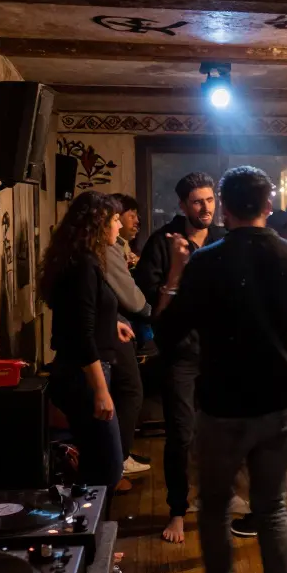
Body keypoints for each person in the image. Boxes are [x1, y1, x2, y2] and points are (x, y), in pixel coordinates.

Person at [158, 166, 287, 573]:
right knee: (272, 508)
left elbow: (168, 332)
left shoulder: (207, 261)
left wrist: (177, 275)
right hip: (280, 400)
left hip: (222, 404)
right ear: (269, 204)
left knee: (215, 508)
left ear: (225, 203)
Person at [135, 172, 226, 544]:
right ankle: (177, 509)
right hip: (180, 354)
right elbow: (149, 305)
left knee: (221, 431)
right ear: (182, 205)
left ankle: (216, 500)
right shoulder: (162, 243)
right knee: (181, 434)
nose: (205, 208)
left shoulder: (224, 240)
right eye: (197, 202)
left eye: (209, 200)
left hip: (220, 352)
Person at [40, 191, 134, 496]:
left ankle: (88, 535)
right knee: (106, 468)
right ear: (98, 223)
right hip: (85, 377)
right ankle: (87, 535)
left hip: (79, 373)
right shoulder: (84, 266)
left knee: (99, 463)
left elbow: (82, 313)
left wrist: (112, 323)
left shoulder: (81, 260)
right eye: (116, 219)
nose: (119, 227)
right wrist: (101, 391)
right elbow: (80, 334)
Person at [107, 193, 152, 481]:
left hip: (115, 327)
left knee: (124, 392)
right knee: (130, 391)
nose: (135, 220)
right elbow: (130, 297)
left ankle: (119, 456)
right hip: (112, 330)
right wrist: (150, 310)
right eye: (121, 216)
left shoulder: (115, 248)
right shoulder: (106, 250)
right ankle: (118, 460)